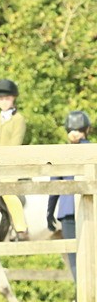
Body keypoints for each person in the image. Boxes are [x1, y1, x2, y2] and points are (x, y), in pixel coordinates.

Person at [47, 110, 90, 289]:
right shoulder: (91, 148)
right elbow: (54, 185)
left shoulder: (62, 152)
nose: (73, 132)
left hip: (69, 210)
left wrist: (49, 212)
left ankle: (83, 294)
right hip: (85, 210)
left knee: (74, 256)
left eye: (76, 129)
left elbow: (54, 187)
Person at [0, 79, 29, 241]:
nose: (3, 102)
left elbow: (15, 143)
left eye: (7, 99)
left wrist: (0, 160)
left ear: (13, 98)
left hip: (11, 166)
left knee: (8, 191)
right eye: (1, 99)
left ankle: (21, 228)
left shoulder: (19, 119)